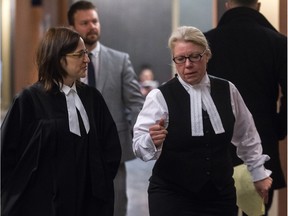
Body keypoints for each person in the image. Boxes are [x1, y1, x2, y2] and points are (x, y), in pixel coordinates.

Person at [133, 26, 273, 216]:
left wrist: (258, 173)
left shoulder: (228, 90)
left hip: (220, 195)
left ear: (206, 55)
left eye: (195, 56)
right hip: (173, 196)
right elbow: (138, 146)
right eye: (180, 59)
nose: (188, 65)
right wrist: (151, 140)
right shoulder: (160, 96)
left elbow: (247, 135)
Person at [1, 27, 121, 216]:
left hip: (89, 205)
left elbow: (110, 146)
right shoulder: (28, 100)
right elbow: (5, 157)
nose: (87, 59)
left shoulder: (92, 98)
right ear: (58, 58)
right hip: (42, 207)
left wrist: (101, 184)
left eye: (86, 53)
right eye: (80, 54)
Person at [204, 0, 287, 215]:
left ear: (228, 4)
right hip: (262, 138)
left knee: (219, 208)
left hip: (216, 140)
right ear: (258, 6)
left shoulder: (207, 41)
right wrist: (279, 126)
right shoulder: (278, 42)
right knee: (258, 210)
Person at [67, 1, 144, 215]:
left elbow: (136, 102)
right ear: (73, 28)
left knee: (117, 206)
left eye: (95, 21)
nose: (92, 26)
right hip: (74, 148)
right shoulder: (64, 63)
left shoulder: (120, 61)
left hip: (113, 149)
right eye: (85, 23)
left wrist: (142, 135)